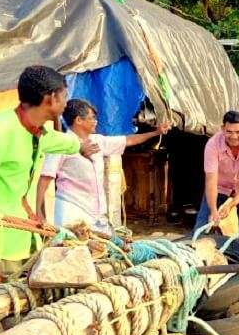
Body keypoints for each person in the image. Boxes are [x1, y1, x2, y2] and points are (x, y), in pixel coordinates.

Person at [0, 66, 97, 287]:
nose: (66, 102)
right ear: (51, 98)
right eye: (64, 95)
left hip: (28, 241)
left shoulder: (37, 132)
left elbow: (61, 141)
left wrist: (81, 146)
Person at [36, 99, 170, 235]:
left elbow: (128, 140)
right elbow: (46, 178)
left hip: (96, 215)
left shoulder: (98, 141)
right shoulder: (61, 145)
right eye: (92, 118)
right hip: (71, 211)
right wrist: (39, 213)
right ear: (78, 120)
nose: (96, 121)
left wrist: (155, 133)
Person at [195, 110, 239, 246]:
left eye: (238, 132)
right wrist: (214, 210)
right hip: (219, 187)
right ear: (222, 129)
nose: (234, 136)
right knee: (200, 229)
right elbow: (211, 181)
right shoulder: (212, 144)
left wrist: (231, 204)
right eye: (229, 132)